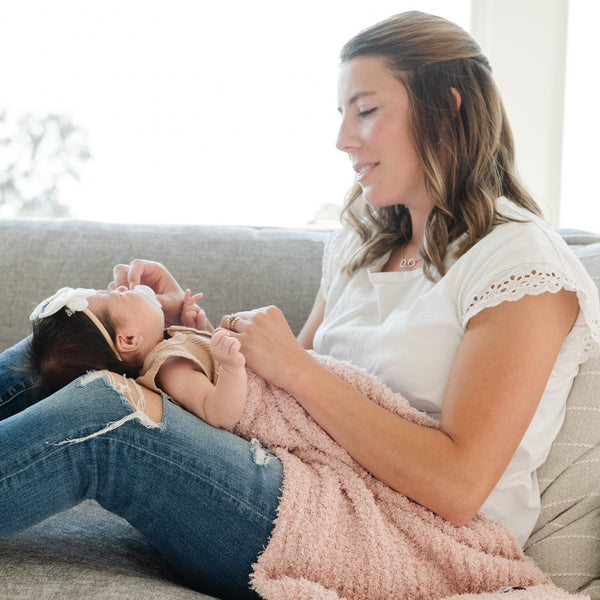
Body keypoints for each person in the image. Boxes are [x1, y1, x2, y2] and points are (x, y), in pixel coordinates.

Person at [0, 10, 599, 600]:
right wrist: (188, 337)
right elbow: (284, 407)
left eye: (366, 111)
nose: (343, 140)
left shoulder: (518, 263)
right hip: (305, 484)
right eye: (342, 115)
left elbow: (458, 486)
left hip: (405, 535)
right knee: (66, 339)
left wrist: (294, 366)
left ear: (447, 108)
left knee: (107, 415)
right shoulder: (361, 249)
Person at [27, 285, 247, 429]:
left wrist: (196, 329)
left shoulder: (169, 347)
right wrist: (232, 369)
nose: (122, 287)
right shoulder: (171, 368)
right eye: (120, 295)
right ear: (129, 339)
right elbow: (220, 414)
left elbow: (208, 371)